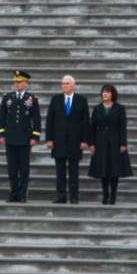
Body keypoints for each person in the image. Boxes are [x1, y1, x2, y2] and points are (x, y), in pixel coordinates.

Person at [45, 75, 90, 204]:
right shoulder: (55, 99)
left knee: (74, 170)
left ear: (73, 85)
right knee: (60, 170)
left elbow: (86, 122)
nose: (64, 85)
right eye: (63, 83)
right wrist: (49, 139)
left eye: (67, 83)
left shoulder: (81, 100)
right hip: (58, 140)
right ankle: (61, 196)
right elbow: (50, 121)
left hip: (75, 141)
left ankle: (74, 196)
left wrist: (84, 140)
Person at [0, 71, 42, 203]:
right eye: (15, 82)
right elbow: (2, 118)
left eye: (19, 82)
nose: (16, 84)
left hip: (25, 138)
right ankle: (13, 193)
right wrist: (1, 134)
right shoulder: (7, 97)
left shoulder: (32, 98)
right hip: (10, 137)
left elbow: (37, 119)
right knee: (12, 168)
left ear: (25, 83)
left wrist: (35, 136)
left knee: (24, 168)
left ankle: (22, 194)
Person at [88, 84, 133, 205]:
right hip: (100, 141)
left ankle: (113, 194)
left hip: (115, 142)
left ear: (113, 94)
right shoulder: (97, 108)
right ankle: (104, 194)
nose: (105, 94)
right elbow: (92, 128)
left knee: (114, 169)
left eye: (107, 92)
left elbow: (123, 127)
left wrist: (123, 143)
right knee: (103, 169)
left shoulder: (120, 108)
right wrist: (91, 144)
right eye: (103, 92)